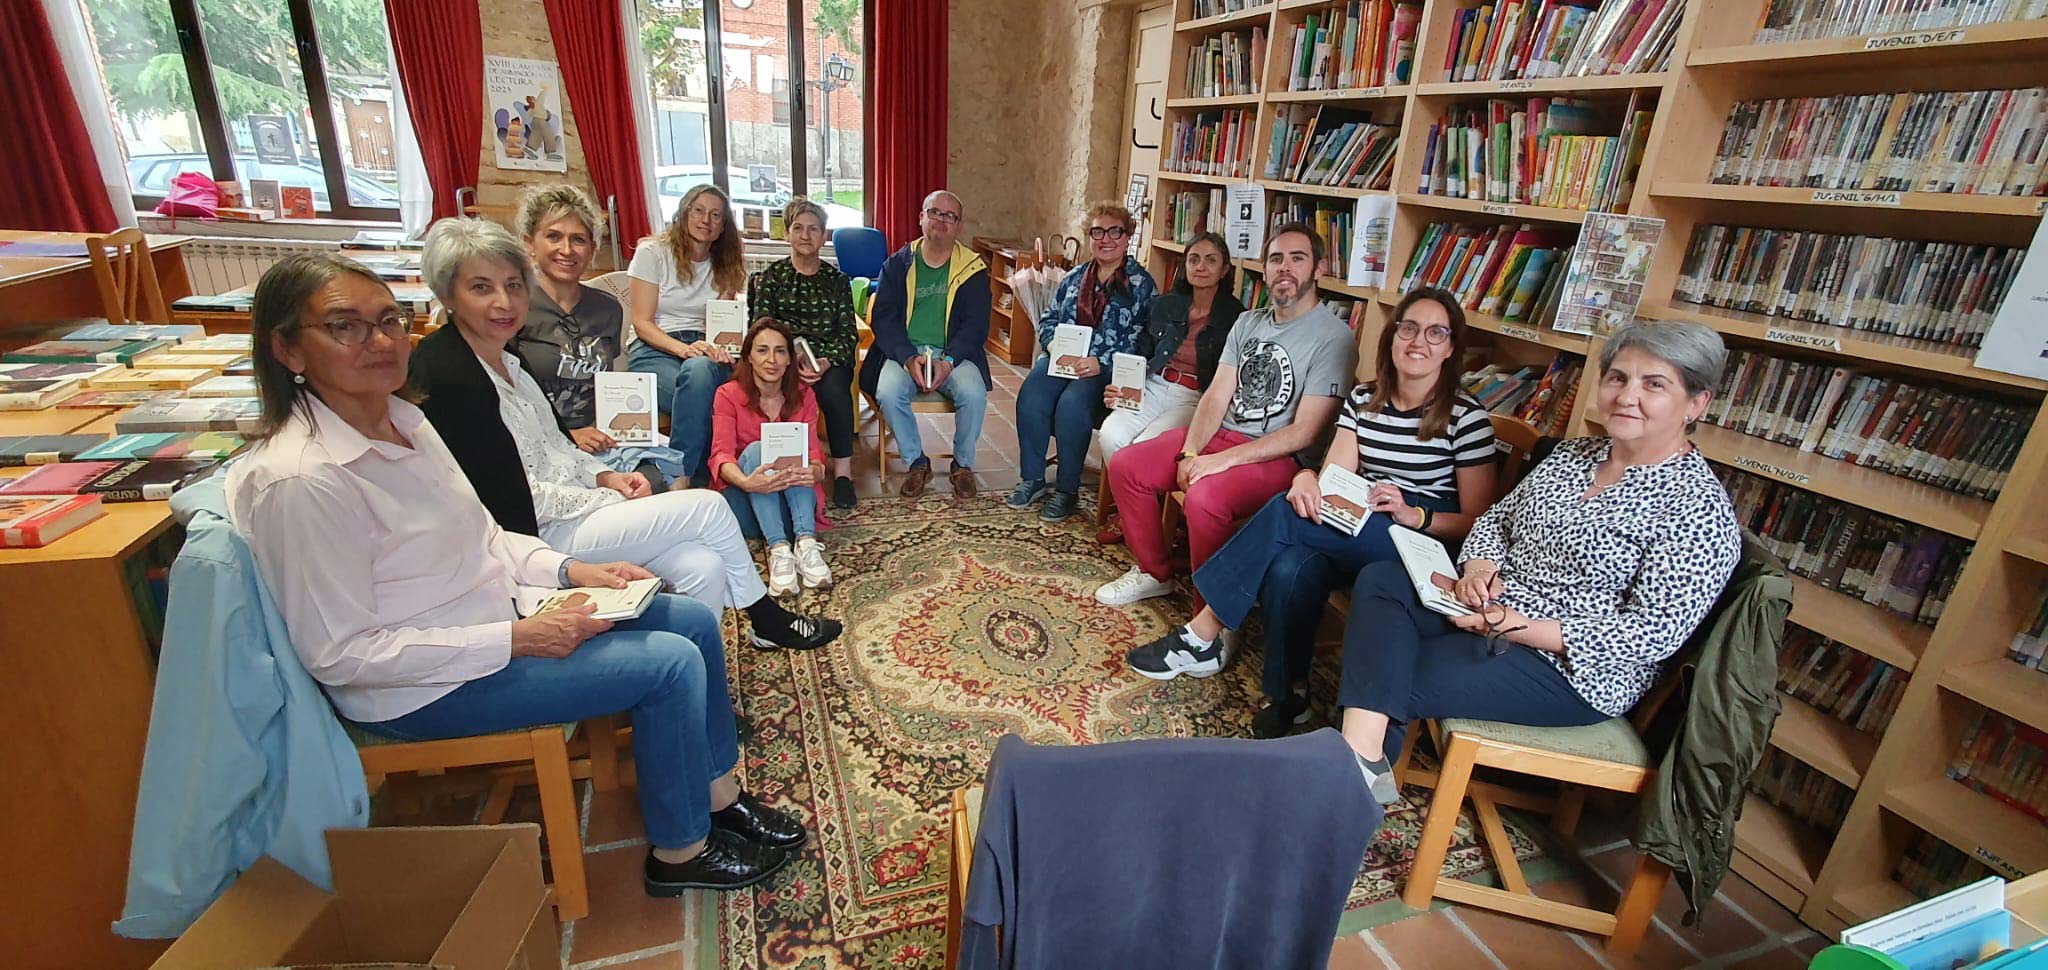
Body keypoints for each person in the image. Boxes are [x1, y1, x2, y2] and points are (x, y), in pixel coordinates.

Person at [225, 252, 802, 894]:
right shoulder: (303, 480)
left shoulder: (408, 421)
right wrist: (518, 640)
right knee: (669, 665)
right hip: (429, 682)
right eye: (345, 326)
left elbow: (487, 536)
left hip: (500, 611)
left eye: (388, 319)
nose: (381, 341)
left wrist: (572, 569)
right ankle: (681, 850)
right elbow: (343, 656)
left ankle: (720, 795)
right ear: (288, 349)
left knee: (691, 621)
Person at [1337, 320, 1741, 805]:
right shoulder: (1574, 456)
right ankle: (1360, 765)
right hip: (1488, 607)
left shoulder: (1697, 508)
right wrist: (1479, 568)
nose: (1627, 395)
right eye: (1617, 378)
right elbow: (1497, 521)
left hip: (1568, 666)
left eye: (1654, 384)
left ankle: (1344, 783)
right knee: (1383, 578)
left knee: (1395, 669)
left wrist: (1517, 626)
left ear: (1696, 404)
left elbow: (1652, 635)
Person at [409, 217, 840, 652]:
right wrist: (605, 497)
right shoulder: (448, 373)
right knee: (707, 508)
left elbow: (559, 446)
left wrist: (606, 478)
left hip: (580, 507)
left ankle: (696, 684)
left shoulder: (512, 363)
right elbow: (498, 497)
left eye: (513, 286)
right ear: (448, 294)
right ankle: (767, 618)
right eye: (481, 288)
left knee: (705, 564)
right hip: (539, 538)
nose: (503, 301)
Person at [1125, 288, 1498, 740]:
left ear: (1452, 347)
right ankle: (1289, 698)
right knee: (1287, 566)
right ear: (1392, 336)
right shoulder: (1365, 400)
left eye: (1436, 333)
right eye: (1409, 328)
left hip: (1421, 543)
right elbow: (1335, 476)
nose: (1419, 342)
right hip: (1357, 526)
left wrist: (1415, 515)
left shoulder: (1468, 417)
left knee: (1285, 518)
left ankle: (1205, 630)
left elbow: (1479, 523)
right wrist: (1306, 480)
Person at [1095, 223, 1358, 610]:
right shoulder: (1248, 322)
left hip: (1279, 458)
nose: (1285, 268)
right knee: (1126, 465)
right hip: (1224, 437)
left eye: (1297, 258)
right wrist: (1191, 451)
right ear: (1263, 270)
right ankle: (1154, 572)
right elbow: (1216, 396)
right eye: (1276, 259)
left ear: (1318, 269)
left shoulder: (1334, 337)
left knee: (1204, 498)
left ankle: (1213, 613)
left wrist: (1218, 462)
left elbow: (1305, 432)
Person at [509, 183, 683, 489]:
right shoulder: (513, 308)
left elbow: (608, 384)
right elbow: (508, 399)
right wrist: (567, 434)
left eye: (578, 239)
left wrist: (625, 424)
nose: (566, 250)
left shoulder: (607, 309)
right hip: (539, 443)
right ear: (529, 243)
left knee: (669, 480)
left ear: (591, 248)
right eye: (553, 236)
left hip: (601, 438)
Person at [1007, 202, 1158, 522]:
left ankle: (1067, 490)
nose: (1106, 239)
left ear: (1127, 236)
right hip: (1065, 362)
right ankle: (1032, 479)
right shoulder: (1075, 277)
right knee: (1032, 394)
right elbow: (1047, 320)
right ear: (1089, 236)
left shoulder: (1141, 284)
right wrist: (1055, 348)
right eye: (1098, 231)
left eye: (1114, 231)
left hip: (1107, 371)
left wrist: (1100, 361)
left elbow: (1146, 337)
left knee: (1072, 404)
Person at [1092, 232, 1243, 543]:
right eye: (1193, 259)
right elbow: (1141, 351)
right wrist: (1123, 385)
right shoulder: (1165, 305)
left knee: (1145, 448)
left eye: (1210, 260)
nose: (1200, 267)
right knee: (1111, 433)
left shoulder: (1237, 318)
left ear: (1225, 269)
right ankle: (1138, 512)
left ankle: (1136, 522)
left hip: (1196, 398)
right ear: (1183, 265)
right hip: (1154, 384)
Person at [859, 190, 992, 498]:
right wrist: (907, 358)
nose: (941, 221)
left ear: (959, 227)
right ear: (921, 218)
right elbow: (885, 320)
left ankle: (962, 464)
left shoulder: (973, 268)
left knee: (974, 393)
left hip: (954, 355)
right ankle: (917, 461)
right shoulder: (897, 264)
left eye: (950, 216)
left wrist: (949, 360)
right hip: (905, 352)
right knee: (888, 393)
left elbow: (976, 325)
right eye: (934, 213)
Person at [626, 183, 748, 486]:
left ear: (723, 226)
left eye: (716, 215)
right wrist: (684, 350)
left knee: (708, 376)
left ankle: (679, 475)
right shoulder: (652, 253)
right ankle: (699, 477)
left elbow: (721, 324)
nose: (706, 220)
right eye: (699, 211)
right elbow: (642, 322)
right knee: (708, 391)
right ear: (684, 213)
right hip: (655, 348)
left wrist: (718, 348)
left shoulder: (727, 263)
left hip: (704, 352)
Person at [748, 197, 860, 509]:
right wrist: (787, 359)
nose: (806, 235)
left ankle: (842, 475)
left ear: (824, 236)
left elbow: (848, 333)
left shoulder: (837, 281)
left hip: (827, 359)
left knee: (837, 393)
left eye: (814, 229)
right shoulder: (771, 278)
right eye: (798, 228)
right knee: (775, 390)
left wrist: (825, 361)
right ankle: (777, 466)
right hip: (782, 360)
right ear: (787, 234)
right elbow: (761, 327)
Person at [711, 319, 831, 595]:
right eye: (762, 351)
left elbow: (814, 451)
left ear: (790, 359)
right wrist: (746, 482)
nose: (772, 360)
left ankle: (806, 544)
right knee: (757, 449)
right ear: (749, 357)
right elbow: (720, 454)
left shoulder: (804, 395)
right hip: (748, 501)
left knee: (800, 455)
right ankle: (779, 550)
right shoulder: (727, 395)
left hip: (795, 505)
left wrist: (816, 471)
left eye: (780, 351)